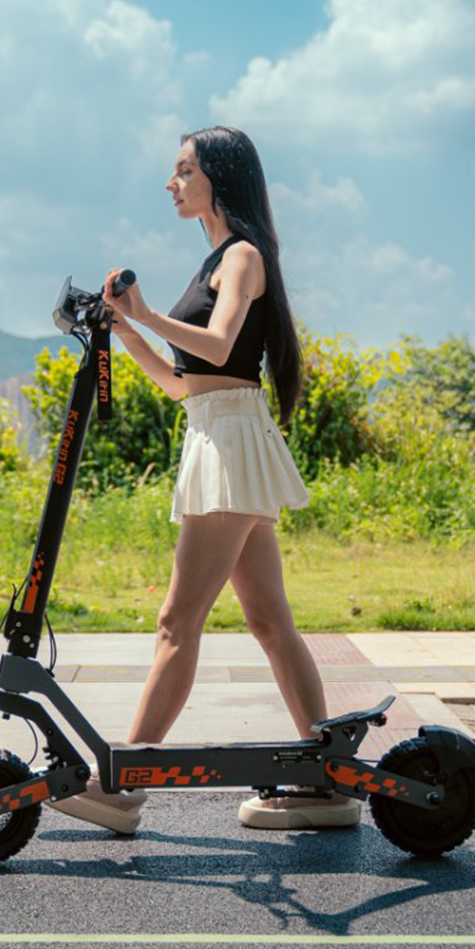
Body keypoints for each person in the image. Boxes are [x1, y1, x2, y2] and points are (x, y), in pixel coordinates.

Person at [50, 126, 359, 835]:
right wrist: (127, 331)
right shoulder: (212, 261)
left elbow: (218, 346)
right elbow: (183, 385)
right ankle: (328, 781)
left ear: (219, 176)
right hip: (217, 429)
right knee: (270, 623)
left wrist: (152, 315)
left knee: (176, 622)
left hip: (231, 443)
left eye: (183, 169)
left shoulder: (243, 258)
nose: (171, 182)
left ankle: (122, 789)